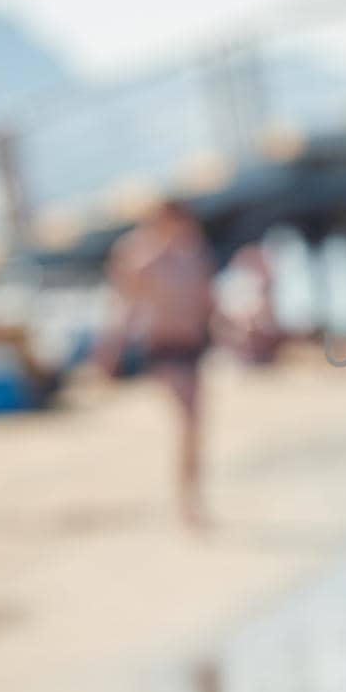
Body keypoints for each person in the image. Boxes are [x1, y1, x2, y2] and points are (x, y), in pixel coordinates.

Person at [98, 199, 216, 529]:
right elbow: (124, 306)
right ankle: (187, 502)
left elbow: (207, 302)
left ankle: (192, 496)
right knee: (187, 423)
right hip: (163, 348)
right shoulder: (143, 257)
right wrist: (112, 350)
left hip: (192, 346)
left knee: (195, 428)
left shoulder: (193, 255)